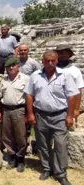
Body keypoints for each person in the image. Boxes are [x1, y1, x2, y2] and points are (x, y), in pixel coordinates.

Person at [25, 50, 78, 185]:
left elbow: (72, 96)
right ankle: (47, 169)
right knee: (43, 144)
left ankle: (61, 173)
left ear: (56, 61)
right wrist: (30, 114)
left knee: (61, 144)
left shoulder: (65, 75)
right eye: (47, 61)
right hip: (41, 114)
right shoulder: (35, 76)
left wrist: (70, 116)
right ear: (42, 61)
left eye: (52, 60)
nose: (49, 63)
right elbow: (29, 95)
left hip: (60, 115)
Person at [0, 58, 29, 172]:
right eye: (8, 66)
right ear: (6, 68)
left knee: (21, 135)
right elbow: (0, 97)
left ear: (18, 66)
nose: (11, 68)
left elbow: (29, 97)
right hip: (6, 110)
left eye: (13, 65)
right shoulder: (4, 81)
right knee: (7, 135)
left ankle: (20, 159)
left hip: (19, 110)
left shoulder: (25, 79)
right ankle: (12, 157)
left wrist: (28, 113)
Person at [54, 44, 84, 122]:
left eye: (65, 52)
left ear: (69, 55)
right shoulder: (51, 69)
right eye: (60, 52)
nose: (63, 55)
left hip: (69, 107)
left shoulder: (75, 70)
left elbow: (78, 90)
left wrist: (76, 109)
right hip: (53, 106)